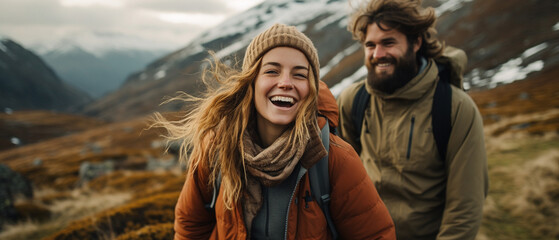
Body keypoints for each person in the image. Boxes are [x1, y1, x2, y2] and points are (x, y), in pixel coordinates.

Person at [154, 23, 395, 239]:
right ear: (252, 82)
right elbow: (190, 226)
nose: (286, 83)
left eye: (299, 75)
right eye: (272, 71)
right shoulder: (216, 147)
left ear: (310, 89)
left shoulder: (335, 158)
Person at [337, 0, 489, 239]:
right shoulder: (352, 100)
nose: (378, 55)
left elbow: (465, 210)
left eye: (388, 43)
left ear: (416, 42)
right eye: (370, 45)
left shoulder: (455, 108)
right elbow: (341, 181)